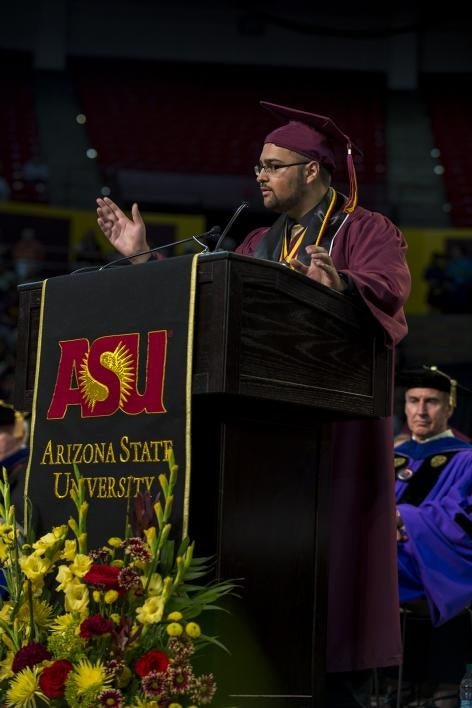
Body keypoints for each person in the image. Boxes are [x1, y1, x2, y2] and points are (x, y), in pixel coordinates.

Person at [96, 100, 412, 707]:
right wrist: (144, 258)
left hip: (330, 435)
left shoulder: (364, 230)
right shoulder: (260, 240)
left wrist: (340, 287)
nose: (260, 175)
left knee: (330, 588)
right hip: (257, 446)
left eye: (273, 165)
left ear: (312, 171)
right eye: (259, 165)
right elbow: (208, 304)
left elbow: (389, 289)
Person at [394, 366, 472, 707]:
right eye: (413, 401)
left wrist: (403, 520)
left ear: (449, 409)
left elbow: (461, 518)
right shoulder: (389, 456)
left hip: (438, 559)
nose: (421, 411)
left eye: (432, 402)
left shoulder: (466, 459)